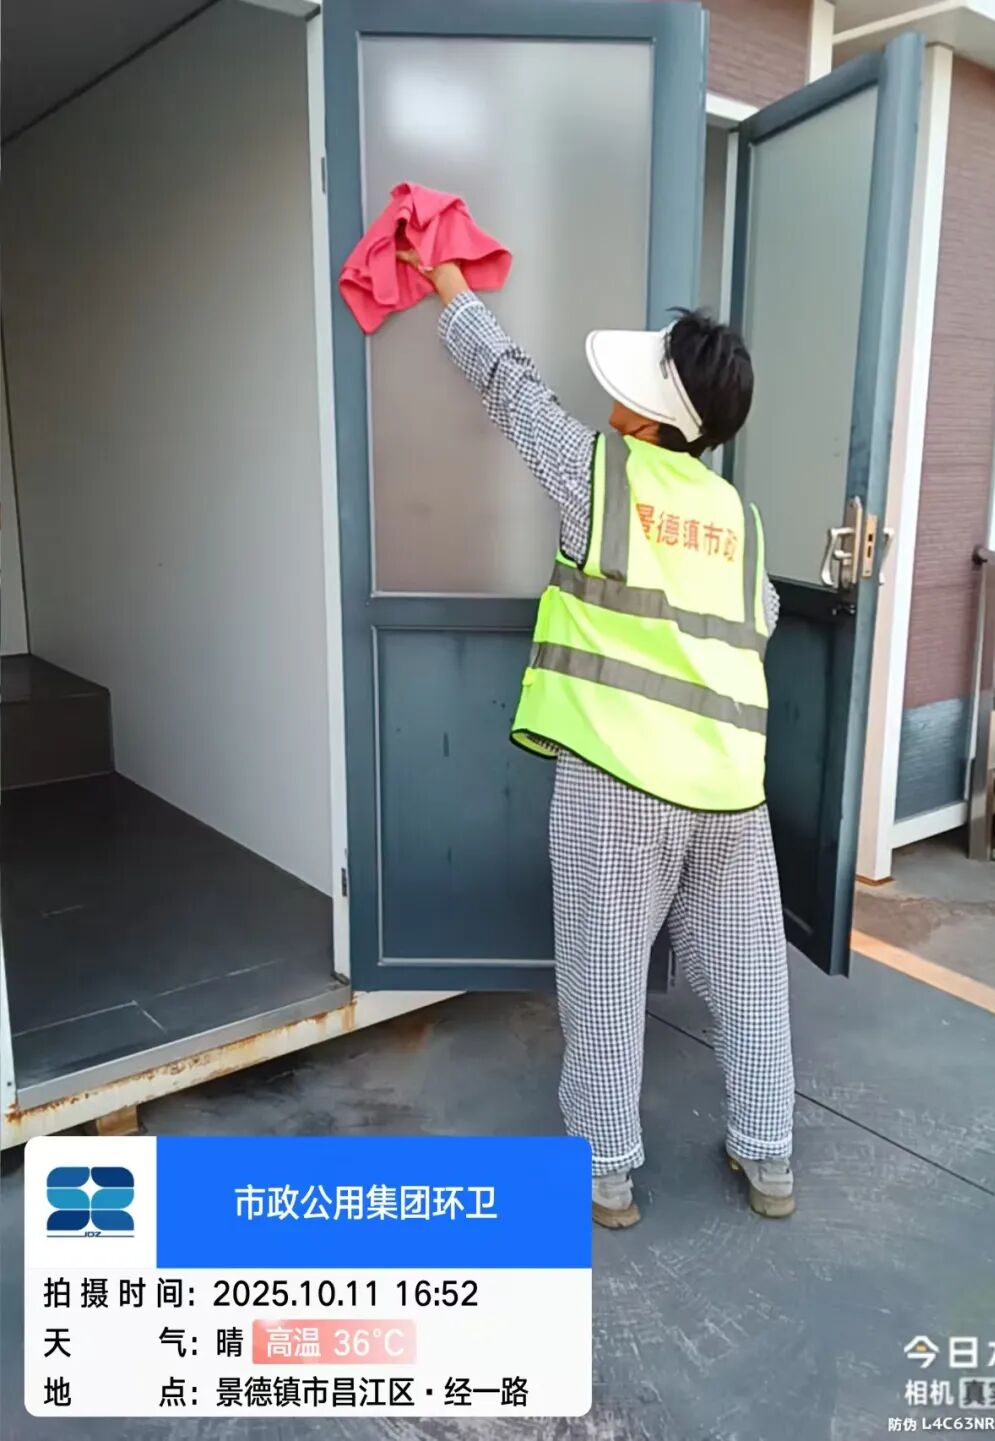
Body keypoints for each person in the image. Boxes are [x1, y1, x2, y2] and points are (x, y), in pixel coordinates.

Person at [399, 251, 795, 1226]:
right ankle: (769, 1155)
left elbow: (511, 387)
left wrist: (450, 289)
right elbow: (764, 618)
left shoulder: (598, 473)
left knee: (606, 974)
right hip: (731, 790)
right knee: (752, 981)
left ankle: (608, 1172)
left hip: (619, 779)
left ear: (648, 417)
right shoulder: (739, 519)